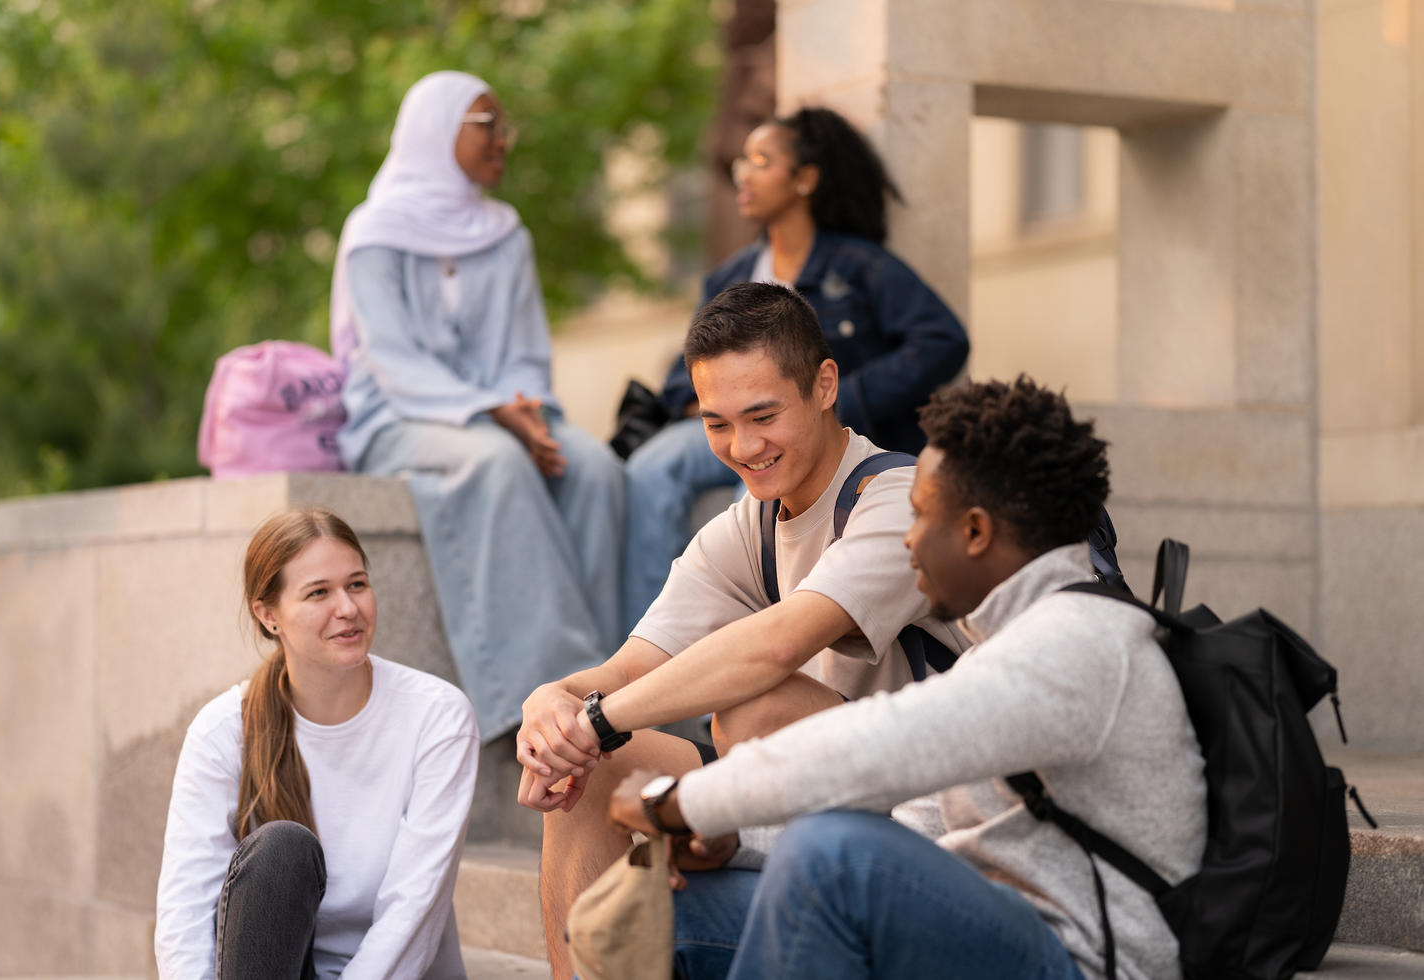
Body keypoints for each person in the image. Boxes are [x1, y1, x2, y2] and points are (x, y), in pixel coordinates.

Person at [606, 377, 1208, 980]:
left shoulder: (1080, 642)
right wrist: (734, 843)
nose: (909, 542)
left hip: (1082, 961)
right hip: (978, 929)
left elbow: (878, 746)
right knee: (673, 911)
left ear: (975, 531)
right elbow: (912, 827)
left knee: (834, 855)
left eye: (920, 516)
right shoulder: (1006, 646)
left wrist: (687, 802)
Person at [516, 281, 968, 978]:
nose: (743, 446)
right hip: (814, 797)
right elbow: (629, 668)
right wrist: (554, 704)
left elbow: (777, 645)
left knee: (756, 707)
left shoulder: (897, 502)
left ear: (823, 385)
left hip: (931, 823)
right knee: (587, 768)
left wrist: (596, 721)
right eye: (717, 423)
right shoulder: (747, 527)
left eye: (762, 415)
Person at [329, 70, 624, 741]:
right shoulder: (374, 231)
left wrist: (524, 410)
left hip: (505, 414)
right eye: (489, 126)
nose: (505, 141)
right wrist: (492, 413)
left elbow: (525, 351)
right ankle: (550, 706)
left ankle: (610, 679)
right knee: (496, 464)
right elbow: (392, 359)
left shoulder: (506, 232)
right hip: (399, 420)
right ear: (438, 132)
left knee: (594, 466)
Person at [620, 106, 969, 635]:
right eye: (741, 162)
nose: (744, 174)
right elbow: (682, 367)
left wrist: (850, 395)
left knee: (763, 485)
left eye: (761, 161)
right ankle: (652, 640)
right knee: (649, 468)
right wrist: (709, 406)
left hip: (806, 426)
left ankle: (753, 646)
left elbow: (942, 339)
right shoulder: (732, 274)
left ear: (804, 179)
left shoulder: (859, 265)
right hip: (730, 420)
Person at [154, 507, 479, 979]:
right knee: (280, 851)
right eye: (318, 593)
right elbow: (186, 911)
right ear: (269, 616)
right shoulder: (223, 730)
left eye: (357, 584)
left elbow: (413, 911)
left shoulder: (437, 717)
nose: (347, 608)